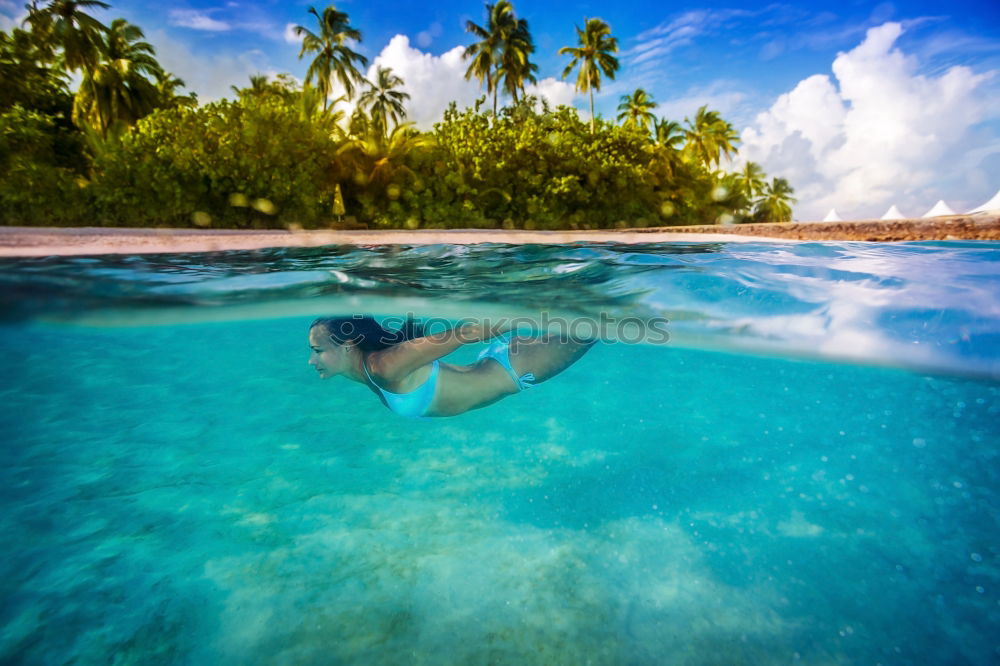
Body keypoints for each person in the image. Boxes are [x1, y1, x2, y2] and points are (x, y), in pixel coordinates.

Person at [308, 316, 594, 417]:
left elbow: (464, 334)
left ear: (347, 346)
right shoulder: (368, 372)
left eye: (318, 351)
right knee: (599, 325)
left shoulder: (383, 367)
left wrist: (532, 310)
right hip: (501, 360)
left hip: (515, 368)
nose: (312, 360)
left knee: (603, 324)